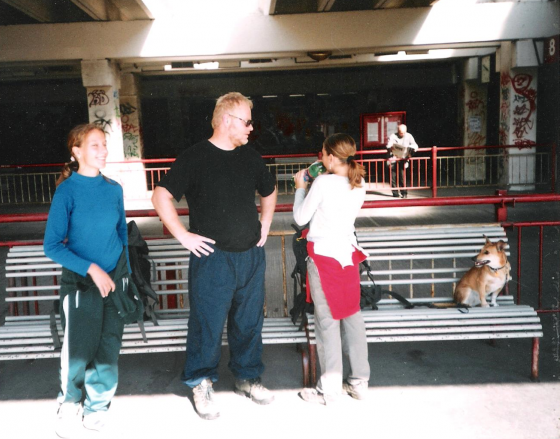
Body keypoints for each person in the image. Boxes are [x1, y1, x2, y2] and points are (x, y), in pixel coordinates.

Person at [151, 92, 277, 420]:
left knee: (249, 322)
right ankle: (200, 381)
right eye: (247, 121)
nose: (251, 128)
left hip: (250, 256)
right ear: (227, 120)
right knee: (207, 323)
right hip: (213, 258)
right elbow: (161, 195)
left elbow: (269, 189)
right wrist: (182, 234)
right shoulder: (194, 157)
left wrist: (265, 223)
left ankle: (247, 376)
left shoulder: (251, 157)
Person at [44, 124, 133, 437]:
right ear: (76, 152)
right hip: (81, 284)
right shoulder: (67, 191)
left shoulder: (114, 189)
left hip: (114, 282)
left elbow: (122, 235)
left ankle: (97, 406)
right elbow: (51, 246)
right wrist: (92, 269)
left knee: (108, 346)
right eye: (95, 145)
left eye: (104, 144)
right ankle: (70, 402)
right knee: (78, 350)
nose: (103, 151)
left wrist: (125, 275)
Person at [293, 133, 371, 406]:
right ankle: (359, 382)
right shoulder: (359, 181)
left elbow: (300, 218)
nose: (320, 157)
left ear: (331, 156)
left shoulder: (323, 183)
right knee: (352, 317)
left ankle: (329, 390)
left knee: (327, 322)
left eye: (322, 153)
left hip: (324, 258)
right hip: (348, 258)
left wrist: (300, 188)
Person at [386, 124, 418, 198]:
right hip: (394, 158)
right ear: (398, 131)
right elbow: (388, 145)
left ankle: (404, 193)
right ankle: (395, 193)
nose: (402, 134)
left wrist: (411, 148)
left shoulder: (409, 136)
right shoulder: (393, 136)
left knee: (402, 177)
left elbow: (415, 145)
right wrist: (391, 147)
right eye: (400, 133)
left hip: (403, 159)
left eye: (403, 133)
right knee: (393, 177)